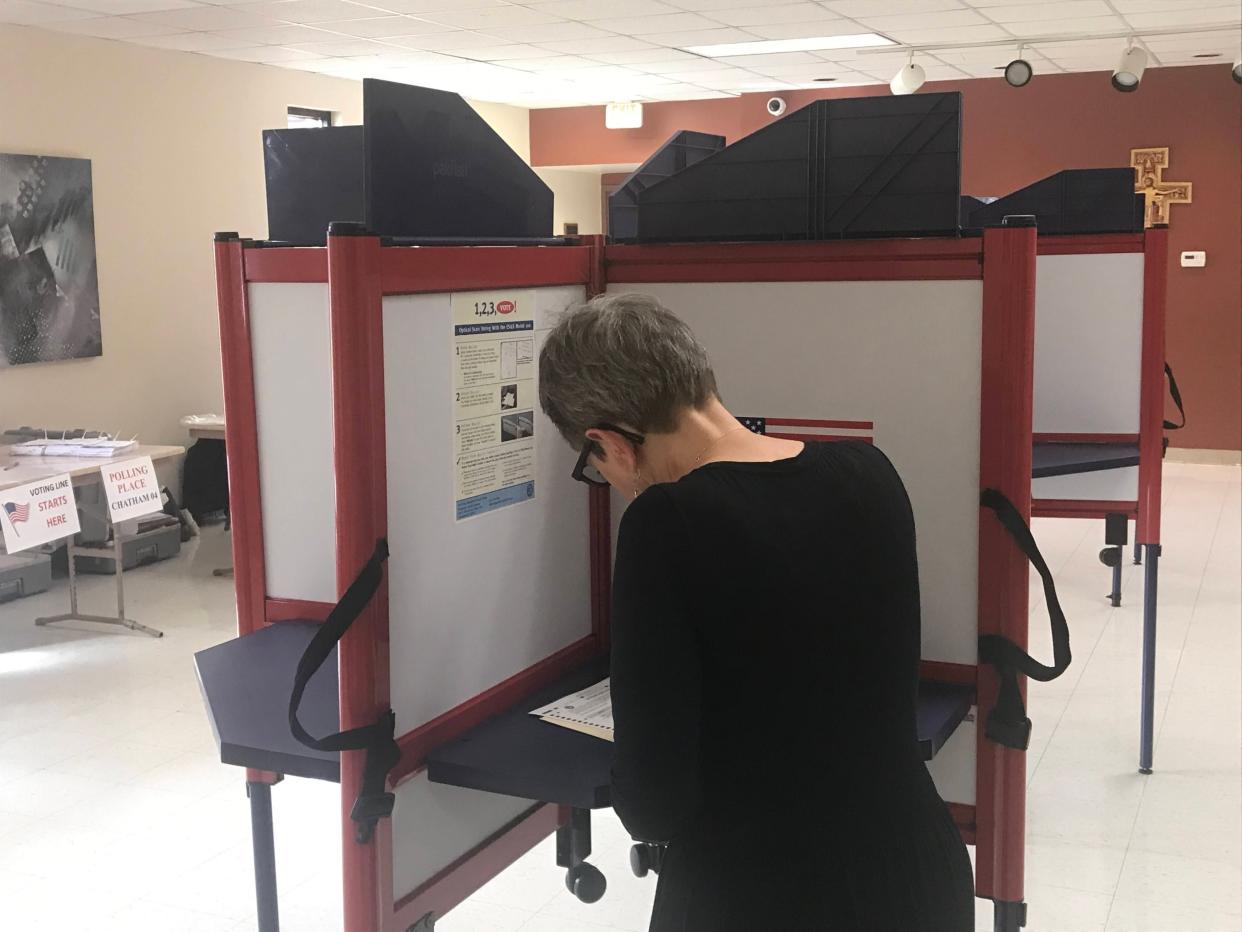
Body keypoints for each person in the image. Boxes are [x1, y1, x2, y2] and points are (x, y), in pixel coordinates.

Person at [538, 293, 975, 932]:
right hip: (916, 874)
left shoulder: (666, 523)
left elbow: (654, 805)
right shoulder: (869, 473)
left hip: (761, 893)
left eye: (595, 466)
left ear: (609, 441)